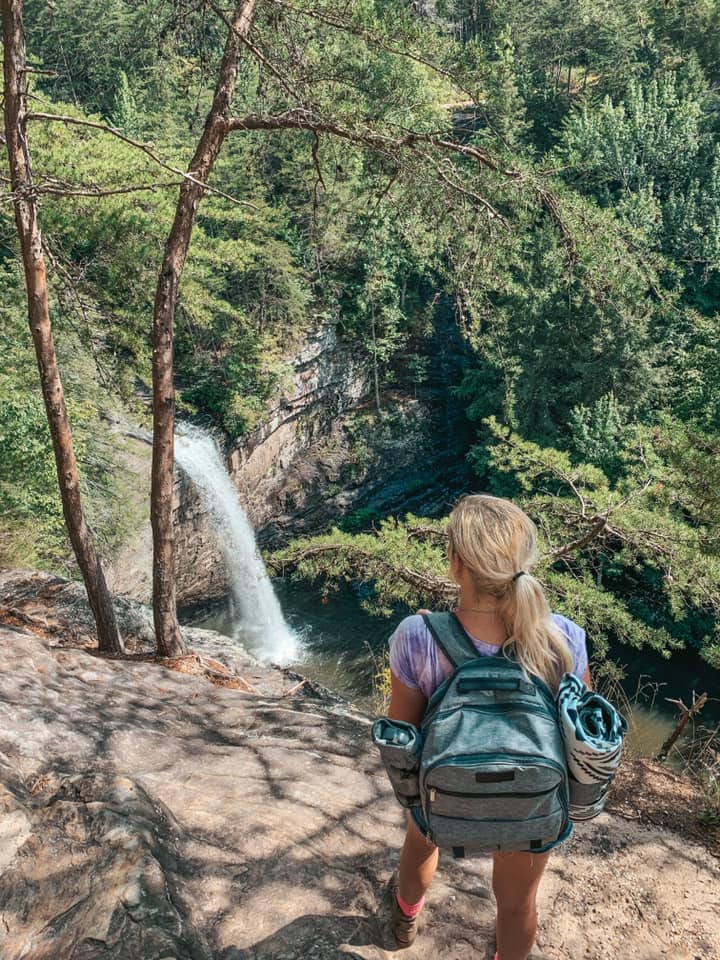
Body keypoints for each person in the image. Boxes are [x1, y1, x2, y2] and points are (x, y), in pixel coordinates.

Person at [386, 494, 591, 959]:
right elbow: (577, 737)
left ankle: (405, 920)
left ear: (456, 562)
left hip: (444, 798)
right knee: (518, 905)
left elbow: (403, 736)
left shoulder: (417, 636)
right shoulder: (565, 639)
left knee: (420, 841)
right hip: (531, 807)